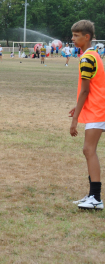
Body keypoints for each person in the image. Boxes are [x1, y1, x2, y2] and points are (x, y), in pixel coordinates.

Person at [69, 20, 105, 210]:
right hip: (96, 108)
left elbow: (85, 90)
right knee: (88, 150)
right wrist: (78, 108)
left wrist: (75, 119)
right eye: (73, 35)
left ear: (87, 37)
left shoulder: (87, 58)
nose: (73, 38)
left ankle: (96, 198)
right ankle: (93, 194)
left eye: (76, 35)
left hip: (97, 110)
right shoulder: (93, 55)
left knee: (88, 150)